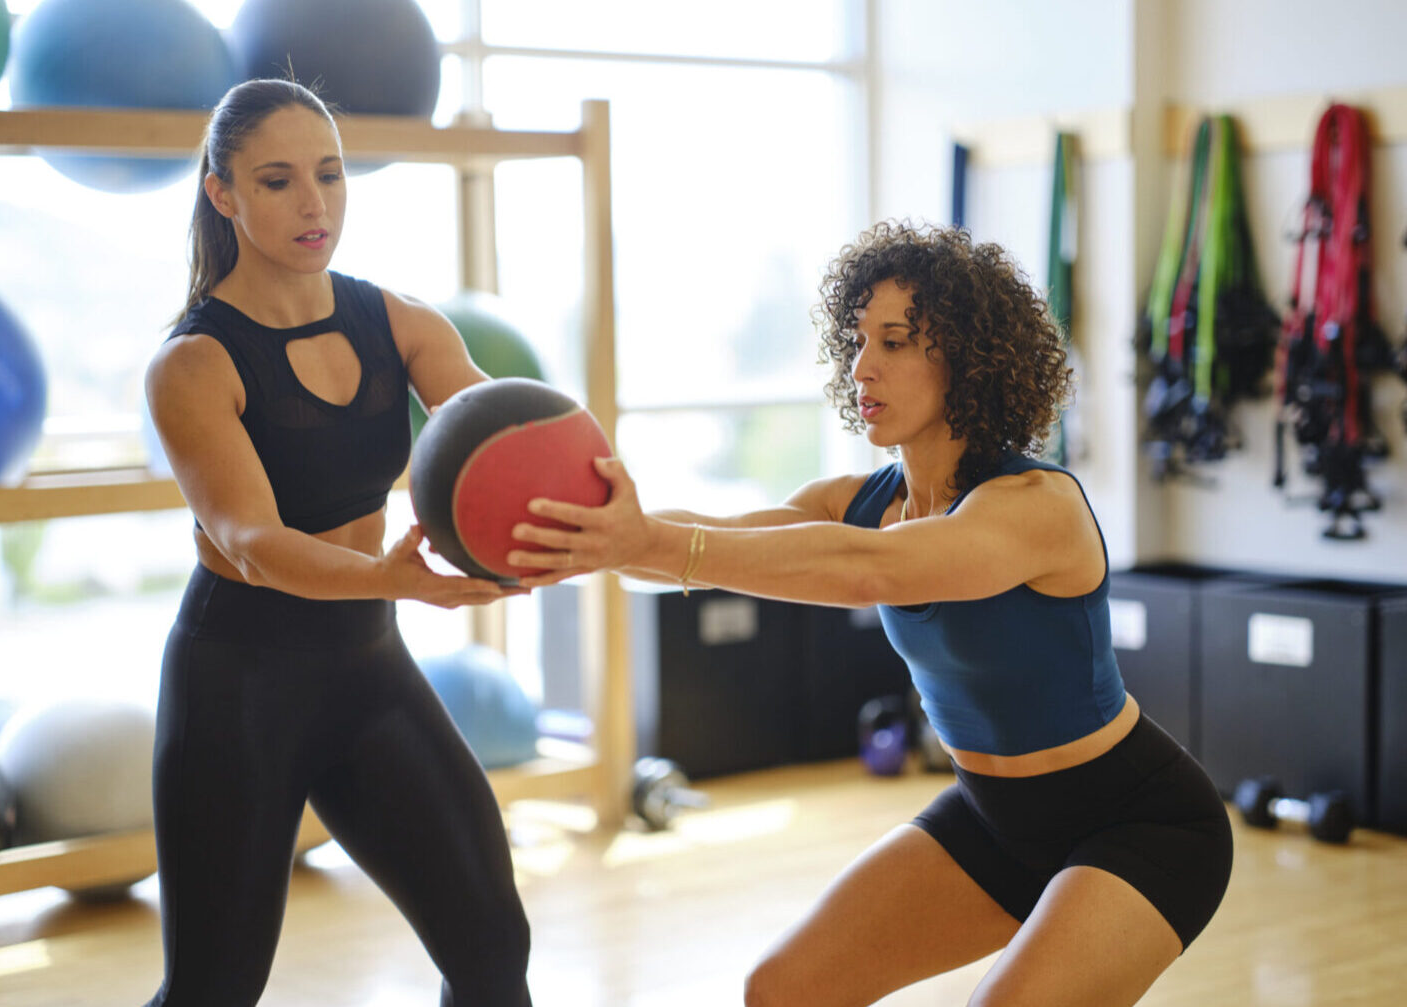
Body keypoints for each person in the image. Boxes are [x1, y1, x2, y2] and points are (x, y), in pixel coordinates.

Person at [509, 221, 1234, 1007]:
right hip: (995, 821)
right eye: (858, 341)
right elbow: (715, 543)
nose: (862, 367)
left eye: (894, 341)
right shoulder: (858, 502)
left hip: (1140, 822)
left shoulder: (1034, 505)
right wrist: (589, 542)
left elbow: (868, 571)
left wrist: (647, 540)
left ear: (966, 355)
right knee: (783, 989)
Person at [143, 79, 533, 1007]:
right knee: (214, 989)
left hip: (367, 671)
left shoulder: (398, 322)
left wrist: (586, 489)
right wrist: (390, 576)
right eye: (276, 181)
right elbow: (250, 541)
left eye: (329, 173)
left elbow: (497, 428)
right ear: (222, 191)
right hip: (236, 685)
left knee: (490, 945)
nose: (314, 204)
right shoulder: (192, 364)